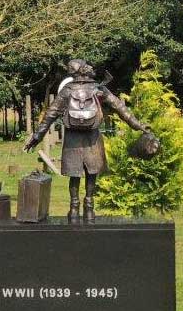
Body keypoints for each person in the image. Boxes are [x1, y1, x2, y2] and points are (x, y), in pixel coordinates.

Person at [24, 59, 155, 222]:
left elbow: (51, 114)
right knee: (91, 174)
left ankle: (73, 208)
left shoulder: (67, 90)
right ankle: (89, 207)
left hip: (72, 138)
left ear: (73, 72)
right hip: (93, 138)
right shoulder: (98, 88)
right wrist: (139, 126)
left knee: (74, 175)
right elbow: (120, 108)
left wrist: (37, 136)